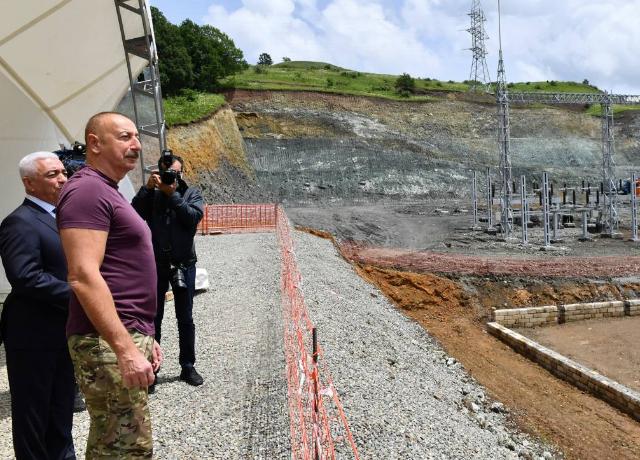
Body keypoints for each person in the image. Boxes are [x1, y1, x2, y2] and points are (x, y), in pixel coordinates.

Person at [57, 112, 163, 458]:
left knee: (114, 441)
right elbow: (83, 276)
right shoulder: (87, 190)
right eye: (123, 137)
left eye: (135, 137)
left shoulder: (106, 190)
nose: (135, 145)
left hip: (122, 332)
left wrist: (143, 335)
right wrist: (126, 348)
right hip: (104, 339)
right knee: (127, 448)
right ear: (95, 143)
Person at [0, 152, 76, 459]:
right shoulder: (19, 223)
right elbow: (26, 277)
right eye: (52, 175)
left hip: (62, 331)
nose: (62, 179)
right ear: (29, 183)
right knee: (33, 416)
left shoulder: (63, 217)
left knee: (62, 408)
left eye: (62, 172)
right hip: (32, 335)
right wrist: (82, 294)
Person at [132, 150, 204, 388]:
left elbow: (192, 217)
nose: (168, 176)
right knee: (154, 318)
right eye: (165, 173)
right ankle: (153, 368)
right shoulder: (153, 194)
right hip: (156, 265)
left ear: (181, 172)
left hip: (184, 264)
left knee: (185, 318)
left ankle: (188, 366)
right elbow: (134, 213)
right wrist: (147, 188)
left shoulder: (191, 192)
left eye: (173, 172)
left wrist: (172, 194)